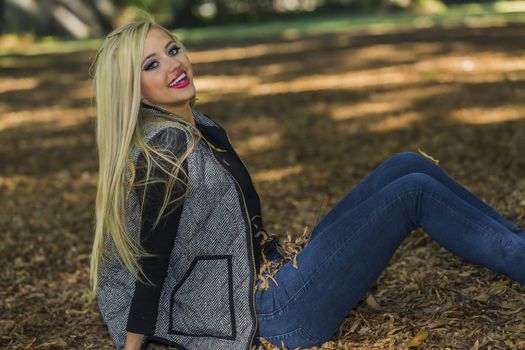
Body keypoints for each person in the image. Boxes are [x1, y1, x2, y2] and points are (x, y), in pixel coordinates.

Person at [89, 18, 525, 350]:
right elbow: (150, 260)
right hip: (273, 316)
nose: (174, 64)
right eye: (152, 64)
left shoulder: (197, 126)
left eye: (172, 49)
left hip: (268, 279)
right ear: (136, 91)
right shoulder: (166, 152)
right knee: (412, 192)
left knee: (406, 165)